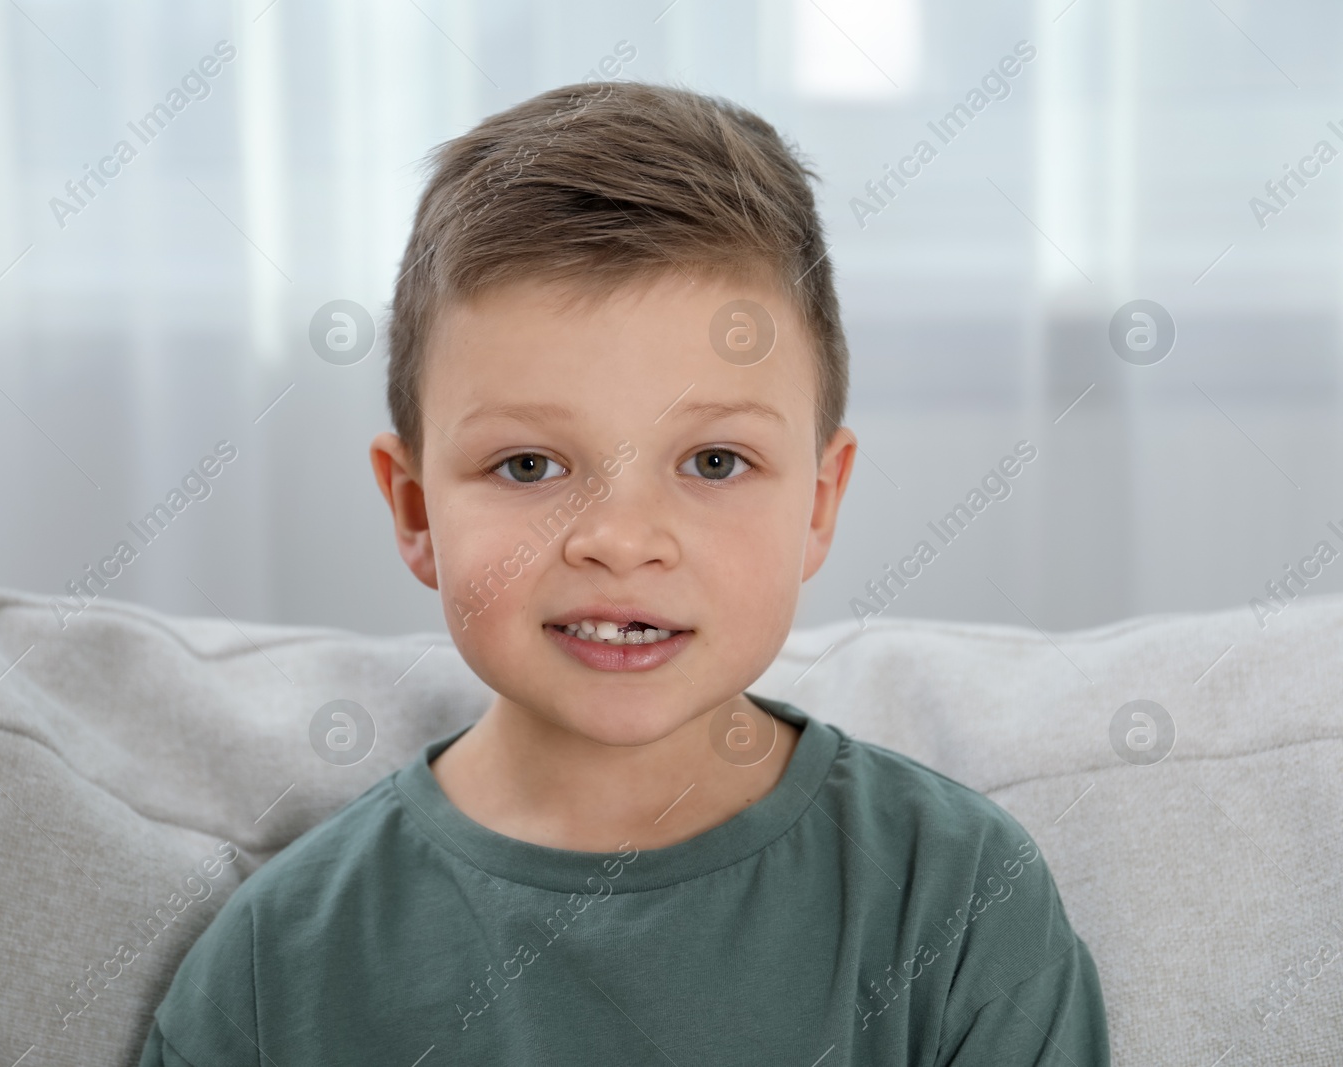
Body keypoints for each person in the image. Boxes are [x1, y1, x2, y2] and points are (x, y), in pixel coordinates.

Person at [139, 80, 1110, 1065]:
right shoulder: (277, 969)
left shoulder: (953, 901)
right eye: (530, 465)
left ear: (817, 503)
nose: (619, 537)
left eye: (712, 462)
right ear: (416, 508)